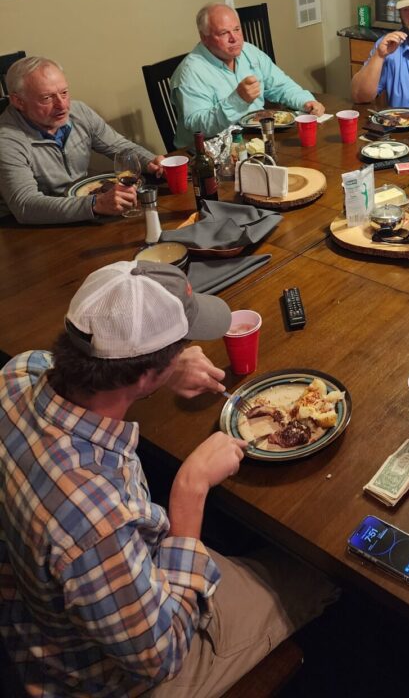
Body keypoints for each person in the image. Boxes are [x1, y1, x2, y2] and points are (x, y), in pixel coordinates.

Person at [0, 260, 336, 696]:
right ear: (145, 374)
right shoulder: (97, 521)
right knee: (317, 575)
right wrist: (190, 488)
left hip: (38, 617)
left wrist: (161, 370)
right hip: (105, 675)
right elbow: (163, 654)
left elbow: (97, 378)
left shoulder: (18, 373)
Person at [0, 56, 164, 224]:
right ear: (18, 101)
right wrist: (95, 204)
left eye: (64, 93)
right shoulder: (6, 140)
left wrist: (152, 162)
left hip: (83, 215)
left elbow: (119, 147)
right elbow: (25, 206)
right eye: (47, 98)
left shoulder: (79, 112)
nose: (62, 105)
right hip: (26, 230)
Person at [171, 3, 325, 148]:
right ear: (204, 37)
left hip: (255, 140)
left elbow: (281, 85)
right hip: (209, 156)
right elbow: (198, 127)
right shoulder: (190, 72)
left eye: (237, 29)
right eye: (224, 33)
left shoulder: (248, 52)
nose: (234, 38)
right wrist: (238, 100)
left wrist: (306, 101)